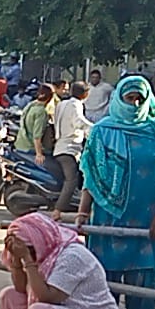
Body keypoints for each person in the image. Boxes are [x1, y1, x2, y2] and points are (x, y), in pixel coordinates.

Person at [78, 76, 155, 309]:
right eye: (129, 98)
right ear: (118, 98)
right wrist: (83, 213)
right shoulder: (102, 131)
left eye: (140, 99)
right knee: (102, 294)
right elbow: (91, 176)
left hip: (147, 224)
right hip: (107, 221)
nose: (134, 104)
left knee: (143, 293)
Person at [52, 81, 93, 219]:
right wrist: (96, 129)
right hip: (68, 148)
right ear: (85, 94)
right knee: (72, 180)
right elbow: (78, 122)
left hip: (61, 145)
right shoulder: (76, 104)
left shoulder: (62, 104)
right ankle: (57, 210)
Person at [13, 84, 55, 168]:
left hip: (20, 145)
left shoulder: (31, 105)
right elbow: (37, 136)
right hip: (30, 147)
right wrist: (39, 154)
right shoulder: (41, 112)